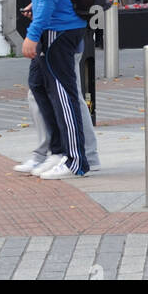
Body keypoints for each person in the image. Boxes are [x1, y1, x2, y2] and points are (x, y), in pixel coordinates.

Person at [18, 0, 91, 179]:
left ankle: (76, 160)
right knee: (38, 84)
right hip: (59, 22)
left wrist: (33, 33)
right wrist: (36, 5)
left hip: (58, 27)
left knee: (62, 93)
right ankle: (58, 151)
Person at [14, 12, 101, 175]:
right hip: (52, 33)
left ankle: (80, 155)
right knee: (41, 91)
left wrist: (32, 33)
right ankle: (56, 152)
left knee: (67, 97)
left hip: (58, 33)